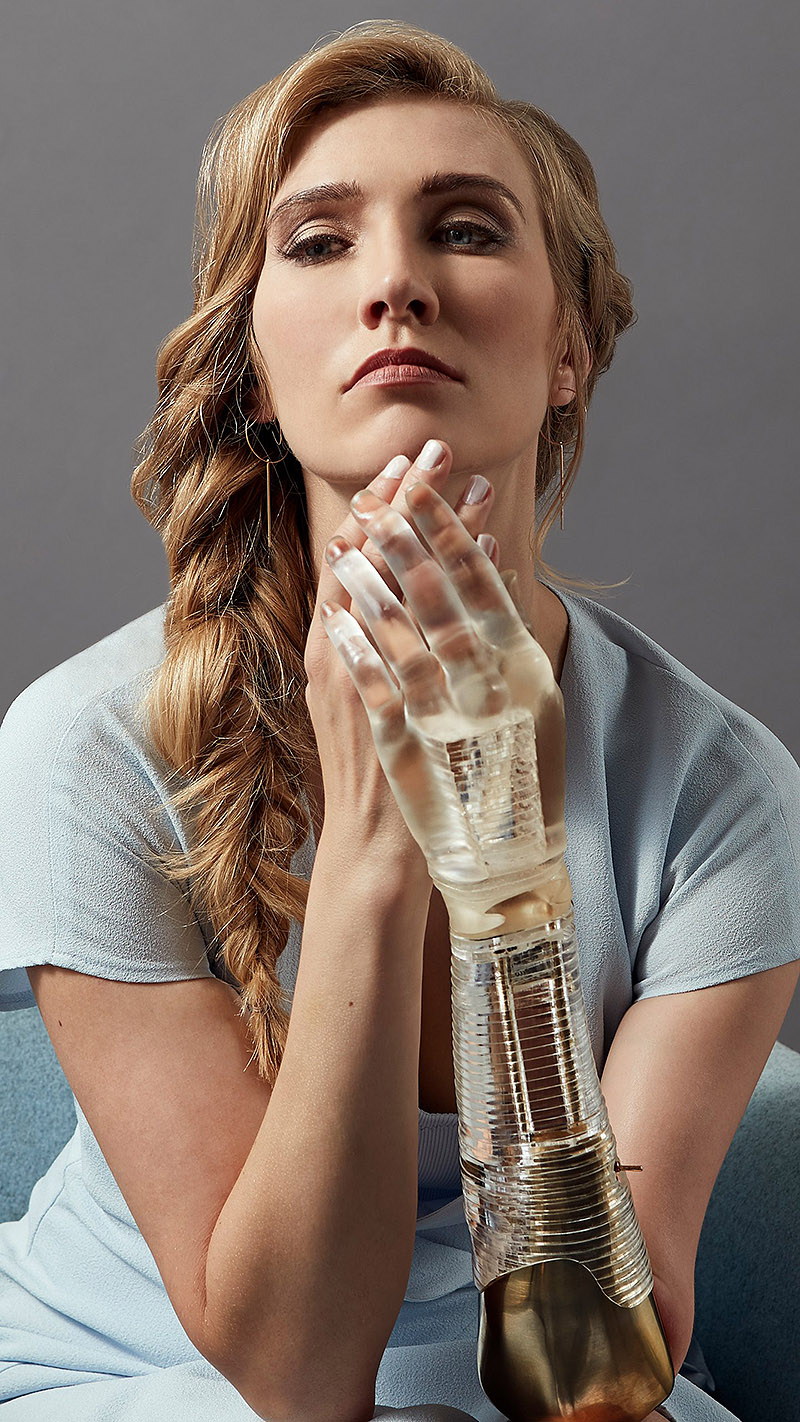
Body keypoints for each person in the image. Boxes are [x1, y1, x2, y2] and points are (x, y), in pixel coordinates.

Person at [0, 19, 798, 1422]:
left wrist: (502, 865)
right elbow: (300, 1378)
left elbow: (591, 1379)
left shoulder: (730, 790)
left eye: (468, 230)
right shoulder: (86, 745)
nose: (396, 286)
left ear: (572, 349)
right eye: (318, 243)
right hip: (154, 1375)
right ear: (252, 371)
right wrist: (376, 838)